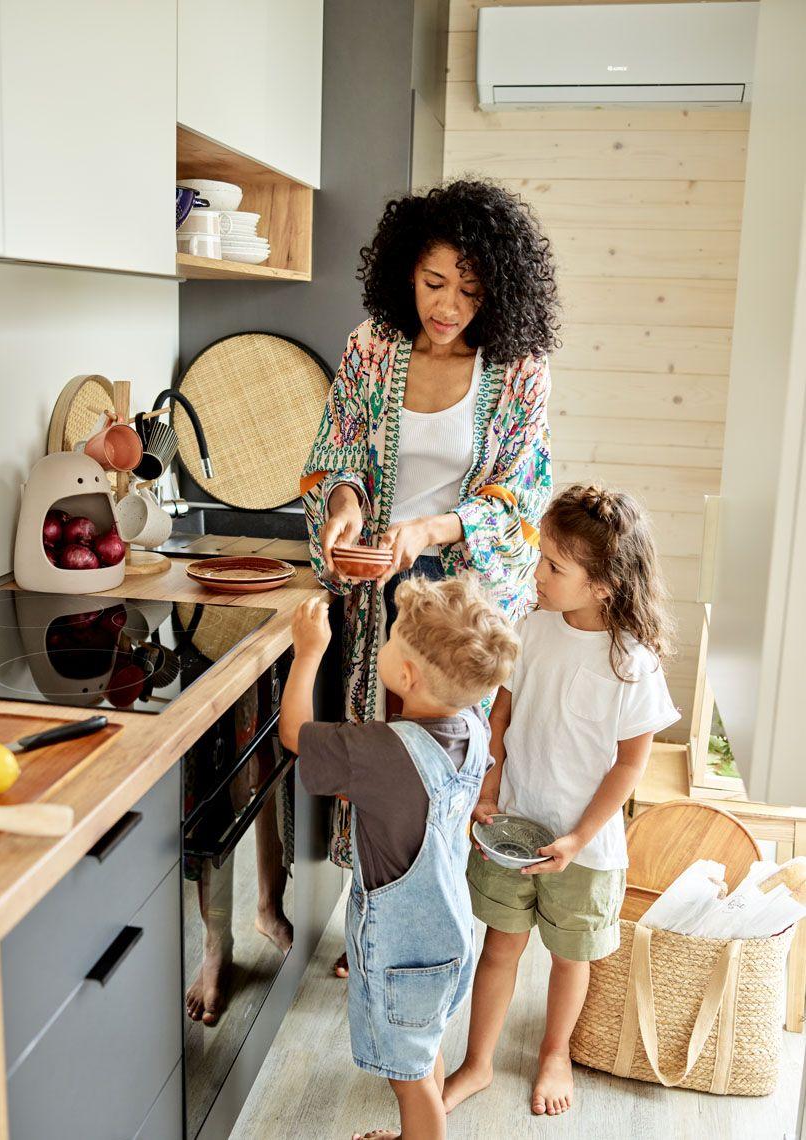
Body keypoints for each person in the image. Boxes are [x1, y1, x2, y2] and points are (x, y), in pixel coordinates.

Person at [300, 179, 558, 976]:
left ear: (499, 291)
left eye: (471, 290)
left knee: (443, 765)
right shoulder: (372, 346)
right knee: (375, 752)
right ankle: (370, 917)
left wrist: (433, 530)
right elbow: (337, 447)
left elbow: (520, 494)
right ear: (404, 270)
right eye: (433, 282)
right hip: (375, 587)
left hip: (457, 608)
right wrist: (345, 507)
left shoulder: (518, 370)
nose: (447, 306)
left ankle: (436, 920)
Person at [442, 485, 680, 1119]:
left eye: (553, 566)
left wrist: (577, 839)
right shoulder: (533, 627)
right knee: (499, 945)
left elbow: (631, 763)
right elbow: (502, 711)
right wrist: (490, 786)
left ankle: (555, 1053)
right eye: (540, 558)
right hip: (513, 826)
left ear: (602, 584)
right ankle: (477, 1061)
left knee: (571, 959)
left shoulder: (632, 664)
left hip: (586, 848)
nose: (536, 574)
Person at [279, 576, 519, 1140]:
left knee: (409, 1084)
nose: (382, 647)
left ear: (405, 675)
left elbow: (294, 733)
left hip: (401, 953)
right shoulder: (473, 726)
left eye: (388, 642)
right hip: (447, 935)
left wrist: (309, 650)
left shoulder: (381, 752)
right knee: (421, 1053)